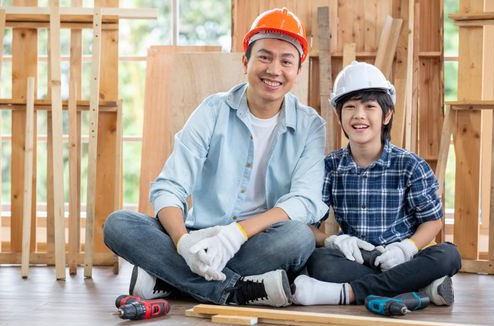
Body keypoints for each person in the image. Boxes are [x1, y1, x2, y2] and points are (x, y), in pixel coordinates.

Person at [104, 8, 328, 308]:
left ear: (297, 71)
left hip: (258, 243)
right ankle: (234, 290)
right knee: (118, 224)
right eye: (264, 56)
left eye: (286, 61)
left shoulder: (310, 125)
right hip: (201, 238)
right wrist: (183, 244)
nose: (274, 70)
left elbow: (305, 201)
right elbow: (169, 186)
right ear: (245, 61)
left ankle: (170, 280)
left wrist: (236, 234)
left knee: (299, 238)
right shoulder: (213, 110)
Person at [291, 61, 461, 307]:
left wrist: (407, 248)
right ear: (340, 116)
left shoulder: (410, 165)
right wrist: (332, 240)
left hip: (403, 257)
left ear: (387, 114)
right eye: (349, 107)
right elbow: (307, 226)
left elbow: (432, 220)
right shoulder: (330, 167)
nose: (359, 115)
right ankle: (419, 285)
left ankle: (345, 293)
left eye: (369, 106)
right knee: (319, 262)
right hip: (357, 258)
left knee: (449, 255)